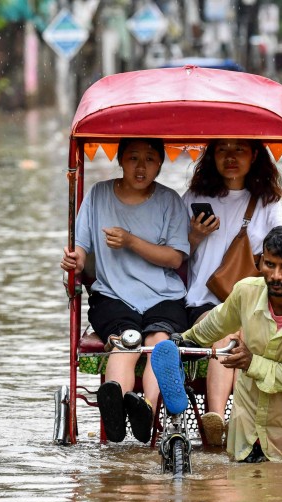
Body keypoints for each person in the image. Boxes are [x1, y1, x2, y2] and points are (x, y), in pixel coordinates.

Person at [183, 138, 282, 447]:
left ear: (254, 155)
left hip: (250, 301)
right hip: (204, 300)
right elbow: (177, 256)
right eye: (222, 150)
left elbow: (277, 257)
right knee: (226, 333)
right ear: (211, 156)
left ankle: (246, 422)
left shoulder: (267, 202)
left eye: (239, 150)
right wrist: (194, 235)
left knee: (242, 333)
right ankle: (215, 420)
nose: (230, 158)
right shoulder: (193, 197)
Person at [61, 138, 190, 444]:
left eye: (149, 159)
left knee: (159, 342)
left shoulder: (170, 201)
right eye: (133, 158)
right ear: (121, 160)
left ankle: (146, 406)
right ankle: (116, 406)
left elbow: (175, 257)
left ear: (160, 163)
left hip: (163, 295)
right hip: (113, 295)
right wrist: (73, 259)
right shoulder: (99, 195)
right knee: (126, 342)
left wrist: (131, 241)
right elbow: (81, 248)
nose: (141, 166)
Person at [183, 227, 282, 462]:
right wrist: (185, 341)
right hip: (244, 434)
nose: (276, 275)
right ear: (260, 262)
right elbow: (216, 323)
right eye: (269, 264)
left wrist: (254, 363)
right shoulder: (245, 291)